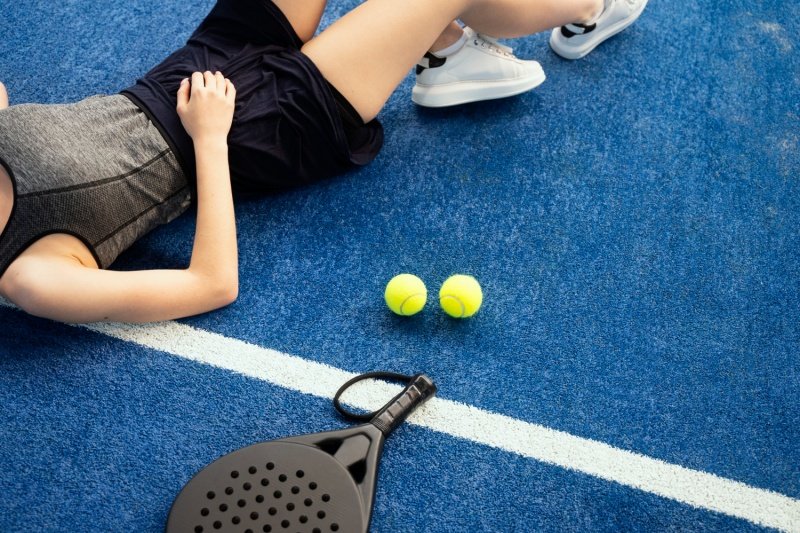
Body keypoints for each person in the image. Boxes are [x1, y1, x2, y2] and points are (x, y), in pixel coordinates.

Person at [0, 0, 647, 324]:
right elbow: (210, 284)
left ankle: (444, 47)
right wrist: (209, 137)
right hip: (258, 128)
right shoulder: (31, 276)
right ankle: (591, 6)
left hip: (193, 66)